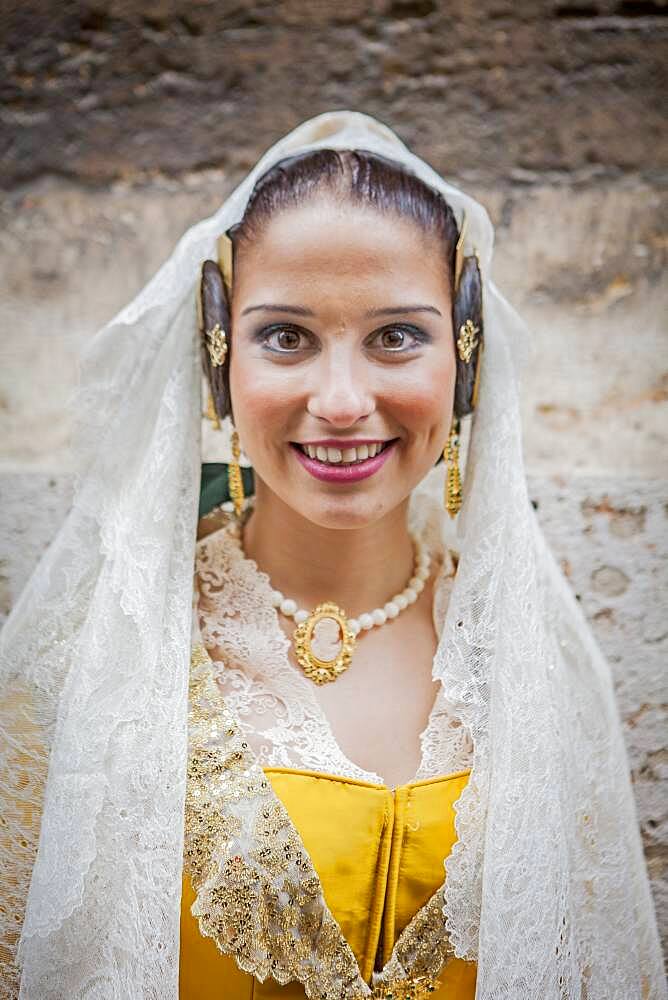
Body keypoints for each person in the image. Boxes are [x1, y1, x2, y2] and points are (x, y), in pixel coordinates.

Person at [0, 112, 664, 1000]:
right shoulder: (97, 659)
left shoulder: (529, 663)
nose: (344, 400)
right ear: (217, 353)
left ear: (465, 359)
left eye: (396, 336)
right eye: (286, 337)